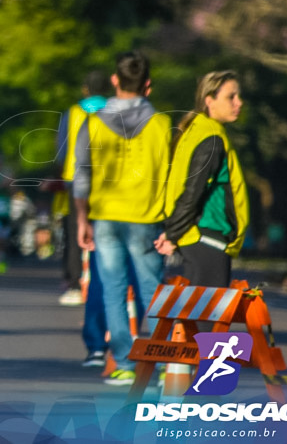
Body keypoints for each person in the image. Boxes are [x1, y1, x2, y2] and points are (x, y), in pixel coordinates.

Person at [74, 50, 170, 387]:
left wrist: (82, 220)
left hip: (106, 218)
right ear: (148, 86)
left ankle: (126, 364)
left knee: (113, 291)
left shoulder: (93, 122)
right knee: (153, 292)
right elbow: (170, 176)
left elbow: (81, 175)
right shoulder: (161, 125)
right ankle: (159, 365)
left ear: (115, 80)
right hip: (145, 218)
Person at [155, 71, 249, 288]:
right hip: (208, 238)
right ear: (210, 101)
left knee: (194, 316)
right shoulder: (211, 139)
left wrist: (172, 231)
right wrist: (172, 234)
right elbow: (192, 192)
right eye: (231, 97)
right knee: (208, 318)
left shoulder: (197, 131)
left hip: (199, 238)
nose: (239, 102)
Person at [55, 70, 110, 305]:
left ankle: (76, 284)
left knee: (74, 231)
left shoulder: (74, 112)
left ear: (85, 89)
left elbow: (61, 148)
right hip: (107, 180)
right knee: (104, 232)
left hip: (74, 178)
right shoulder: (116, 111)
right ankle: (105, 281)